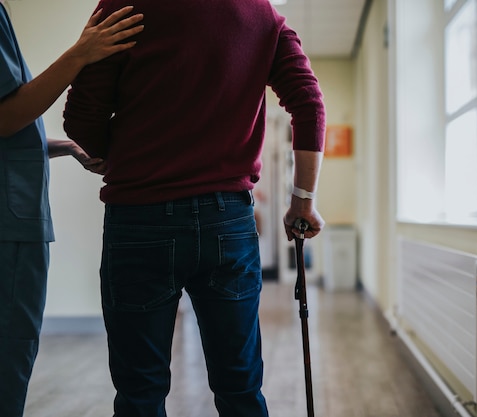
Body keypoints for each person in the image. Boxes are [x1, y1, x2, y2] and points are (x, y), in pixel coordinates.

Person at [63, 0, 326, 416]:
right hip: (228, 222)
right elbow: (309, 102)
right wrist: (303, 201)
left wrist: (116, 154)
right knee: (240, 387)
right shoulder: (262, 14)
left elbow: (81, 117)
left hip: (139, 219)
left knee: (140, 391)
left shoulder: (124, 5)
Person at [0, 3, 144, 416]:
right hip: (10, 225)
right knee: (9, 359)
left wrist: (65, 146)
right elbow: (7, 118)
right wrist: (80, 54)